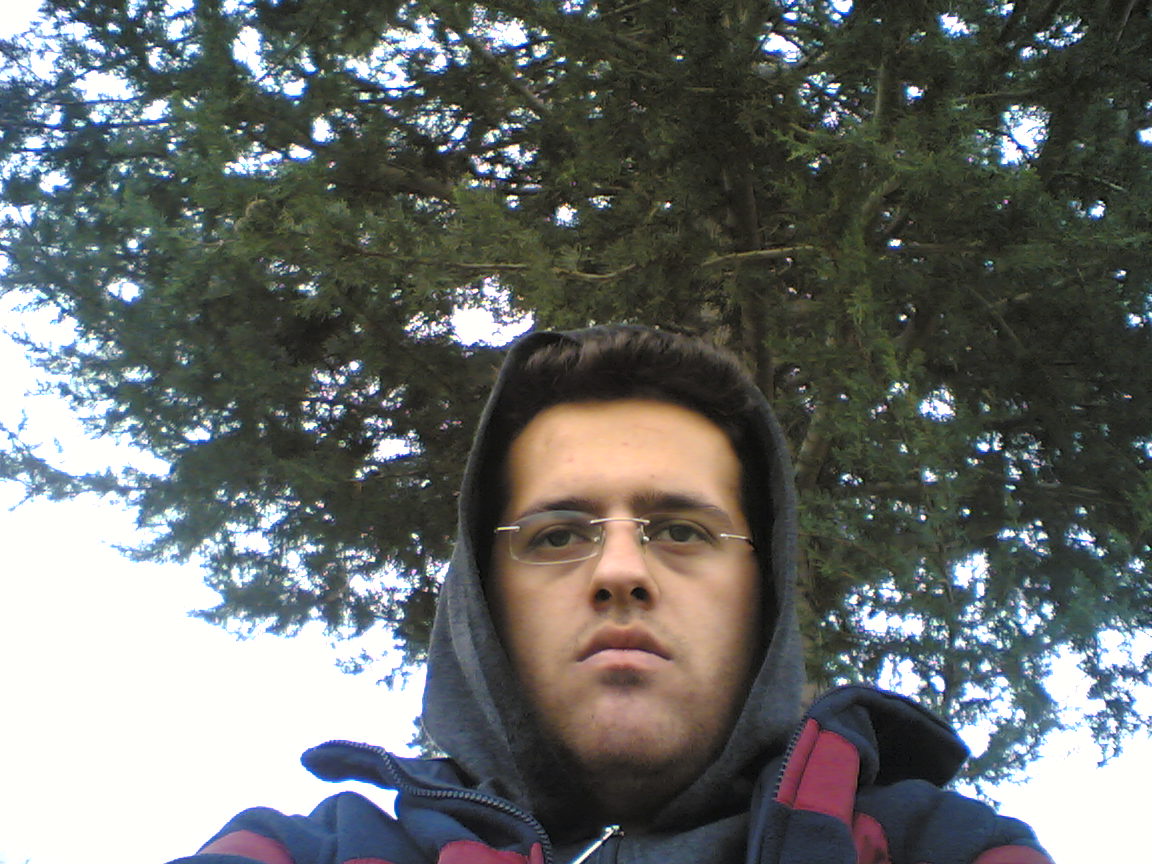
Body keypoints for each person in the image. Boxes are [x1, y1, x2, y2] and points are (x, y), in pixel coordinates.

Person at [172, 325, 1054, 864]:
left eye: (683, 531)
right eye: (557, 536)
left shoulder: (939, 847)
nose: (619, 570)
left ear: (763, 598)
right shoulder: (309, 853)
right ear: (484, 605)